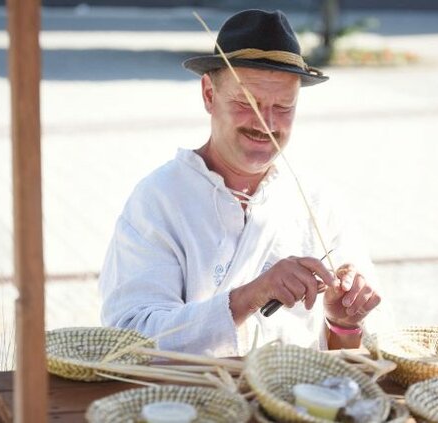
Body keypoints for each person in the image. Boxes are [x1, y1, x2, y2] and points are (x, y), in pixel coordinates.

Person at [99, 9, 391, 357]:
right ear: (209, 94)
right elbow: (129, 338)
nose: (265, 123)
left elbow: (364, 352)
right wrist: (250, 296)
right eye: (246, 102)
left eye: (283, 106)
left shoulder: (318, 202)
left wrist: (344, 323)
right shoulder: (159, 199)